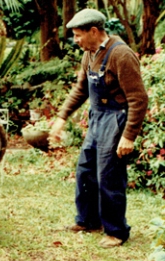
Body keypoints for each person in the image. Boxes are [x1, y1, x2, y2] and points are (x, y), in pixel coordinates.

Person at [49, 8, 148, 248]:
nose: (76, 40)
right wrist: (61, 118)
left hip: (116, 120)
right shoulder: (89, 54)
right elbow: (81, 90)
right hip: (97, 118)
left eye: (78, 35)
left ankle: (116, 231)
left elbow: (138, 99)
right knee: (85, 170)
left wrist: (129, 136)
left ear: (94, 31)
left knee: (109, 175)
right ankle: (87, 220)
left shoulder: (120, 54)